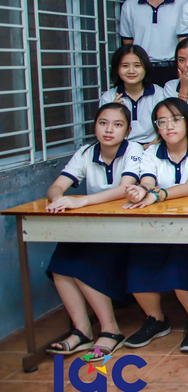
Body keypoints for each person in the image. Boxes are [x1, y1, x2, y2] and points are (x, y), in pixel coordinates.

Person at [43, 103, 142, 356]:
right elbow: (56, 186)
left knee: (82, 266)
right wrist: (58, 198)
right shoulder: (86, 152)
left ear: (128, 130)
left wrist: (82, 201)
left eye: (117, 125)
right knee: (60, 263)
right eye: (103, 123)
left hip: (127, 228)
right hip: (92, 227)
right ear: (94, 126)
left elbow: (124, 188)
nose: (109, 130)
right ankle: (82, 331)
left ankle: (111, 330)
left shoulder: (134, 150)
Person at [121, 98, 188, 352]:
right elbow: (148, 181)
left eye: (175, 119)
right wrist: (141, 191)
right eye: (162, 122)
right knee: (138, 262)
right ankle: (156, 320)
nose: (169, 126)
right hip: (160, 225)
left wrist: (157, 194)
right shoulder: (151, 153)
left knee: (178, 264)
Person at [120, 0, 185, 85]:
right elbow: (127, 44)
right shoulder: (130, 6)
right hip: (141, 70)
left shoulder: (183, 5)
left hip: (173, 69)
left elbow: (186, 45)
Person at [98, 45, 167, 146]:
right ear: (117, 69)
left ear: (146, 68)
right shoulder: (108, 97)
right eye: (125, 66)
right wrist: (113, 113)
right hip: (120, 148)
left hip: (154, 146)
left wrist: (148, 147)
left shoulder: (159, 93)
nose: (131, 71)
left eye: (137, 66)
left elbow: (167, 128)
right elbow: (104, 133)